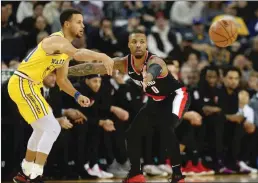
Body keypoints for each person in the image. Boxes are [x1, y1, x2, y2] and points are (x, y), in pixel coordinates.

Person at [69, 29, 190, 183]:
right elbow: (92, 68)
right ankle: (135, 174)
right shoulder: (123, 63)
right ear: (129, 45)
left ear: (147, 45)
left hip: (176, 96)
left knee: (166, 128)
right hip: (157, 101)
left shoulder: (155, 60)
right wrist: (65, 71)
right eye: (134, 42)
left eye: (142, 42)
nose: (138, 45)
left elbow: (154, 69)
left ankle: (178, 175)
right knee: (132, 133)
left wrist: (149, 76)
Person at [8, 9, 114, 183]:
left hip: (31, 87)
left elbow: (62, 80)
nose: (83, 25)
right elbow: (79, 54)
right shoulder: (56, 40)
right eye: (78, 22)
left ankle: (25, 172)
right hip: (23, 83)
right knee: (53, 127)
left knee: (41, 128)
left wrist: (77, 94)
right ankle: (34, 175)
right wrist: (102, 56)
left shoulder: (64, 51)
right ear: (66, 24)